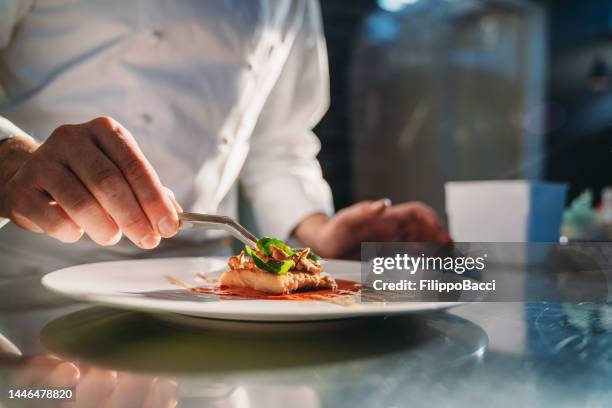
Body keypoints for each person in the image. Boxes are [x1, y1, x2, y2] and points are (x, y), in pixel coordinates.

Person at [0, 0, 449, 279]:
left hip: (208, 284)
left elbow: (279, 144)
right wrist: (15, 162)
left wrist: (318, 233)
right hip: (43, 277)